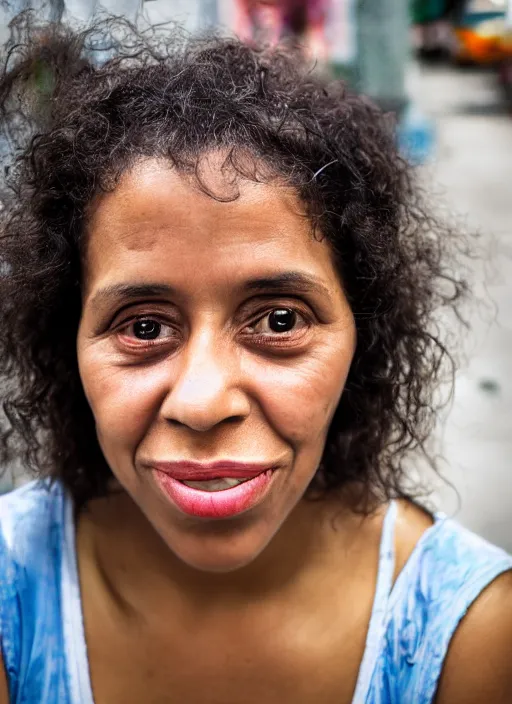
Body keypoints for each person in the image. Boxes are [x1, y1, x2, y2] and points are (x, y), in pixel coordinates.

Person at [0, 13, 511, 704]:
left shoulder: (475, 635)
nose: (204, 402)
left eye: (278, 320)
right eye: (144, 327)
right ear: (68, 342)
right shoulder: (12, 594)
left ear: (365, 334)